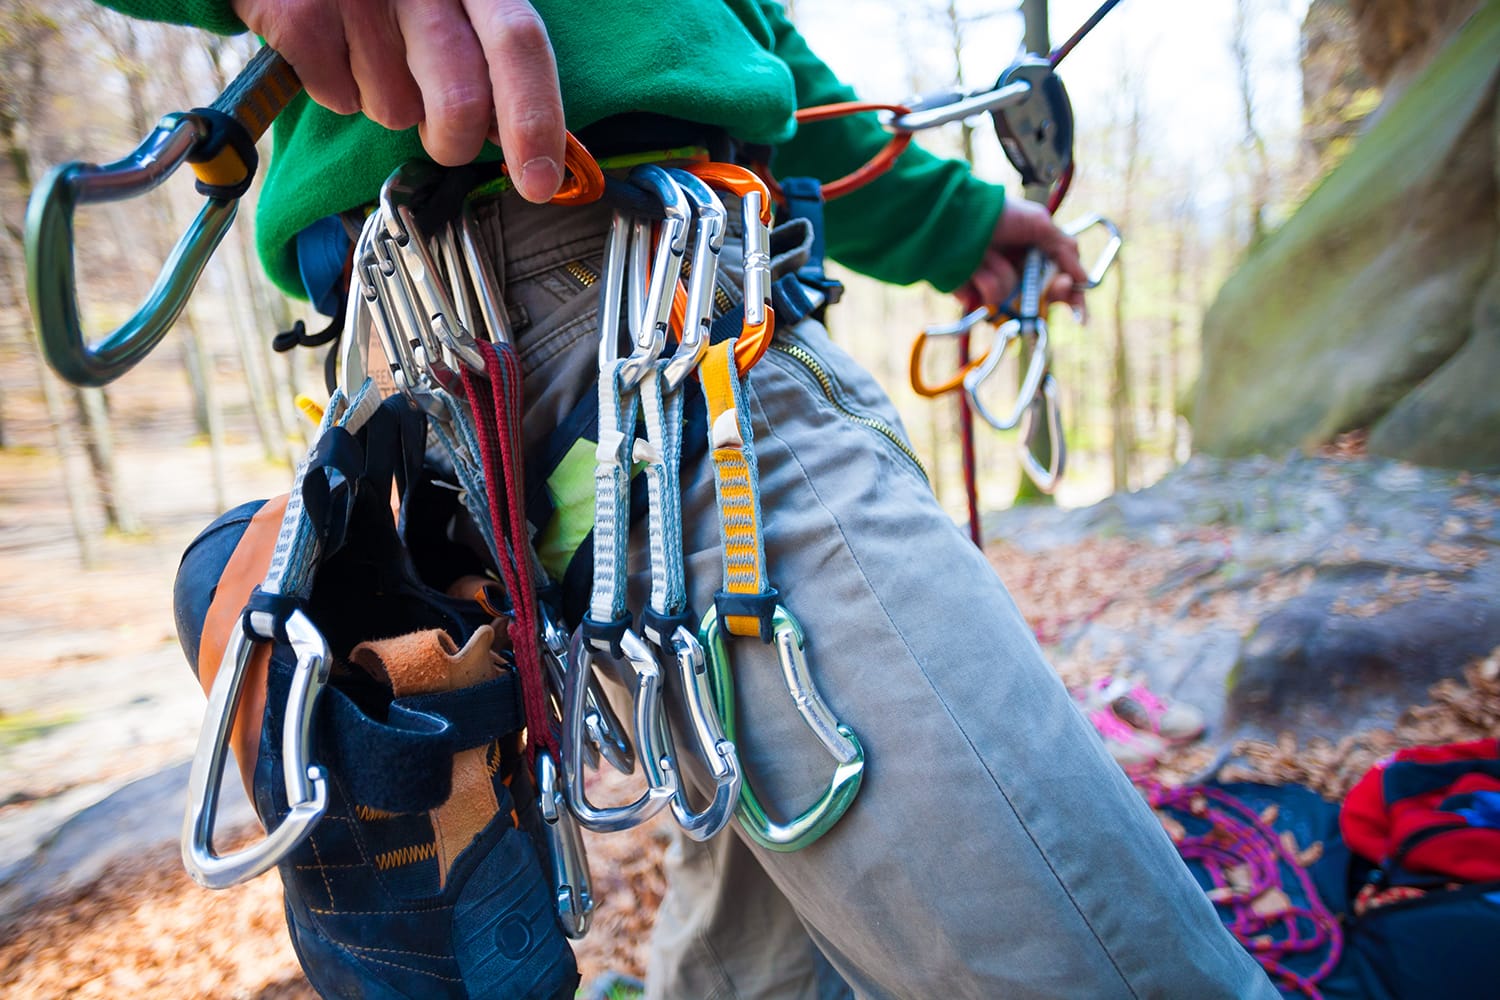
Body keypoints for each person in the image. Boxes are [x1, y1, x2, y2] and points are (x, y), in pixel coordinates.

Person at [105, 1, 1279, 997]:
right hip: (624, 326)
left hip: (556, 338)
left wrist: (955, 220)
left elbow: (749, 49)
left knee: (753, 922)